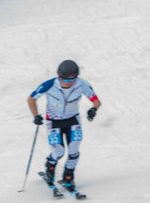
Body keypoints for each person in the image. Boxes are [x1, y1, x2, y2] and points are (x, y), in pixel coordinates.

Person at [27, 59, 98, 193]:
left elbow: (97, 101)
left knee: (74, 150)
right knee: (59, 151)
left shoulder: (82, 84)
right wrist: (35, 115)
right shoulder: (49, 85)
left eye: (72, 80)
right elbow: (31, 99)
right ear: (59, 77)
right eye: (65, 80)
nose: (69, 83)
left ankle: (68, 177)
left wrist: (93, 109)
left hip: (73, 120)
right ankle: (50, 167)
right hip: (54, 122)